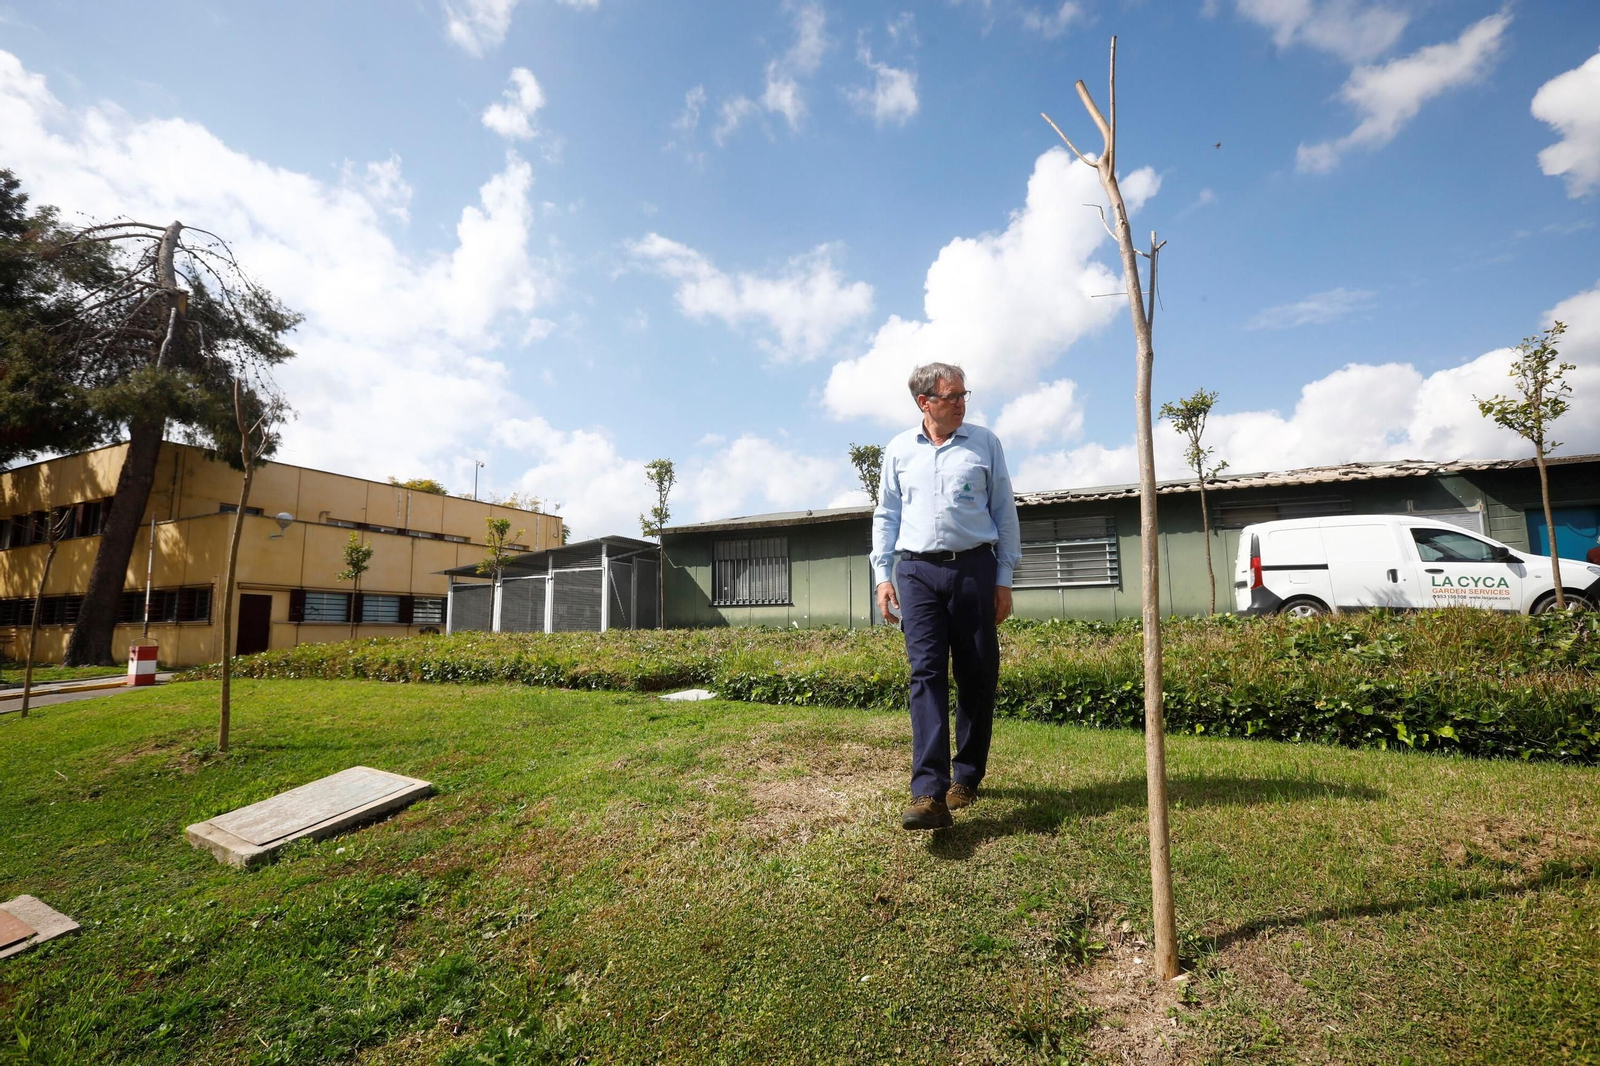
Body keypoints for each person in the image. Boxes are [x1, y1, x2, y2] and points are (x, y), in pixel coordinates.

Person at [871, 362, 1021, 831]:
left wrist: (1004, 577)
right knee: (926, 673)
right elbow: (886, 514)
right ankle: (928, 791)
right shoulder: (898, 449)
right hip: (915, 571)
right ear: (925, 403)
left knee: (977, 672)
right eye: (951, 396)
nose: (961, 403)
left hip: (974, 567)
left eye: (963, 395)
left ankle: (967, 776)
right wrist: (882, 573)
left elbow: (1004, 510)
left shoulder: (984, 443)